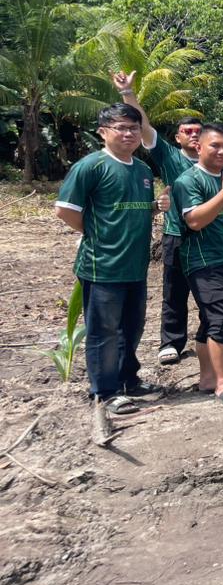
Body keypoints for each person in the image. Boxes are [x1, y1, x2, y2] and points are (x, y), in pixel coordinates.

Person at [55, 103, 170, 414]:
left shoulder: (142, 170)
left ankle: (128, 379)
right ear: (103, 132)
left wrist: (156, 207)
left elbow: (134, 209)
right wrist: (95, 232)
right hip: (102, 265)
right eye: (121, 127)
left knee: (132, 327)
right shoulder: (91, 166)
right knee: (103, 330)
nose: (129, 133)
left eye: (134, 127)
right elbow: (64, 210)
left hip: (135, 265)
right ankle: (105, 391)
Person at [113, 72, 199, 366]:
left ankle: (213, 336)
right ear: (178, 137)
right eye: (188, 131)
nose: (194, 135)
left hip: (209, 236)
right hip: (177, 233)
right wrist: (128, 93)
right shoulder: (169, 155)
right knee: (174, 291)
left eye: (198, 131)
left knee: (211, 289)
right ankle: (171, 342)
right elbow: (145, 127)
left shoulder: (216, 160)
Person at [172, 123, 223, 406]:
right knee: (221, 319)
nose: (222, 151)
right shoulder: (188, 180)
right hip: (203, 261)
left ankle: (207, 378)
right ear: (198, 146)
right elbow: (194, 220)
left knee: (211, 320)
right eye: (215, 145)